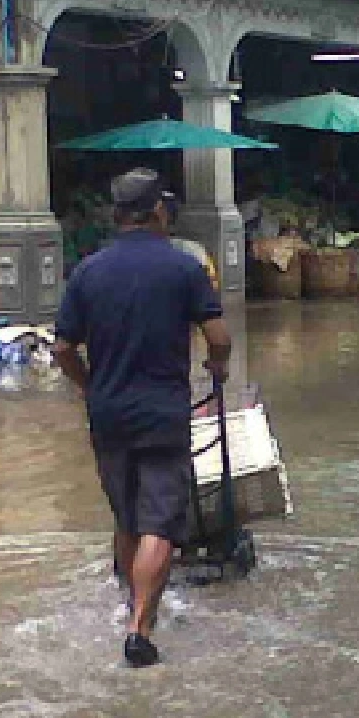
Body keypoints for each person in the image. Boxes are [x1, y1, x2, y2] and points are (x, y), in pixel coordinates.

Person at [54, 168, 232, 667]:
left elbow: (64, 347)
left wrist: (91, 387)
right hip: (162, 413)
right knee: (161, 520)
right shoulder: (183, 267)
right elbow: (218, 338)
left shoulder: (88, 272)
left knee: (126, 514)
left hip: (108, 413)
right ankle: (140, 628)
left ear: (115, 215)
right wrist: (217, 367)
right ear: (159, 211)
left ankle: (125, 602)